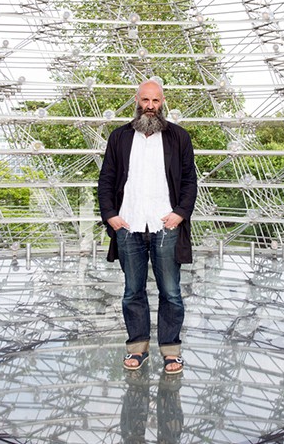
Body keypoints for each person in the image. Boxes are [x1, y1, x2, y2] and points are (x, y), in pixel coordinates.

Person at [98, 78, 198, 375]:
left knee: (171, 292)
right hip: (128, 224)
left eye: (155, 101)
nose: (150, 107)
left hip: (165, 224)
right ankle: (137, 349)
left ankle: (171, 352)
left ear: (163, 102)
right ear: (136, 101)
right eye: (145, 100)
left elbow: (190, 181)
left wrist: (180, 213)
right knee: (132, 292)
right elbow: (106, 180)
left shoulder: (179, 137)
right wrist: (111, 216)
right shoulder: (119, 137)